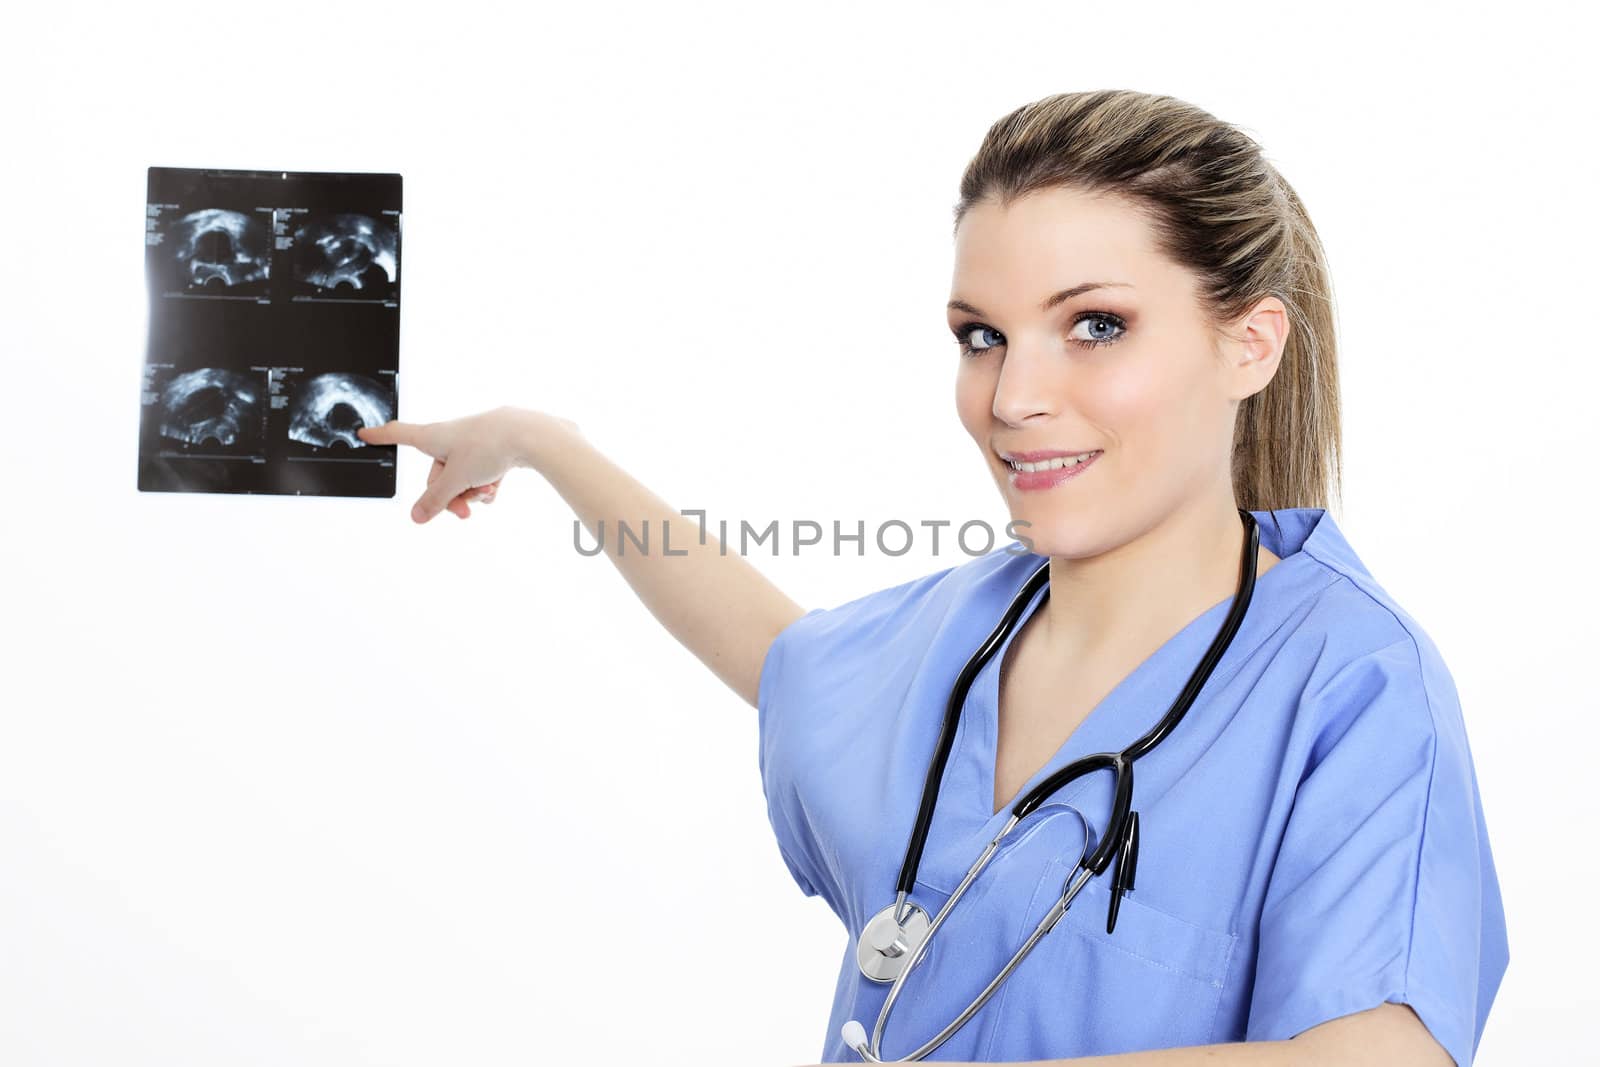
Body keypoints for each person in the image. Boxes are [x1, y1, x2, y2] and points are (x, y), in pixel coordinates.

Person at [358, 89, 1508, 1066]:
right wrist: (543, 443)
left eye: (1094, 325)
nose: (1012, 398)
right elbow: (782, 657)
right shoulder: (961, 632)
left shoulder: (1351, 684)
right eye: (980, 335)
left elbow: (1376, 1052)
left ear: (1248, 344)